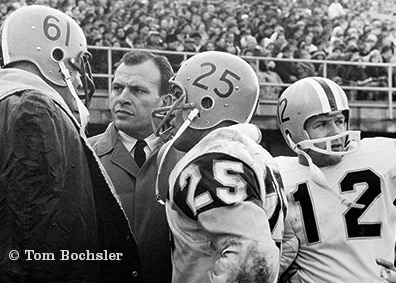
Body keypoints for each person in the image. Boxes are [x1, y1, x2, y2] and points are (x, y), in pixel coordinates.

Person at [0, 5, 141, 282]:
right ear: (56, 58)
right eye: (77, 66)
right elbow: (37, 245)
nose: (79, 79)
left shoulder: (13, 100)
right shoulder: (35, 108)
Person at [151, 51, 286, 282]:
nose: (171, 108)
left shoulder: (211, 161)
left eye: (178, 97)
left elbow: (252, 262)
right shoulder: (252, 154)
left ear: (206, 104)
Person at [275, 77, 396, 282]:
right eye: (322, 124)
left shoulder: (384, 156)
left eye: (339, 121)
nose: (336, 133)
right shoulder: (276, 174)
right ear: (293, 134)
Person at [89, 50, 182, 283]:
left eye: (138, 90)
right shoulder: (83, 154)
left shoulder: (189, 158)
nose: (122, 98)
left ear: (166, 101)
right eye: (117, 88)